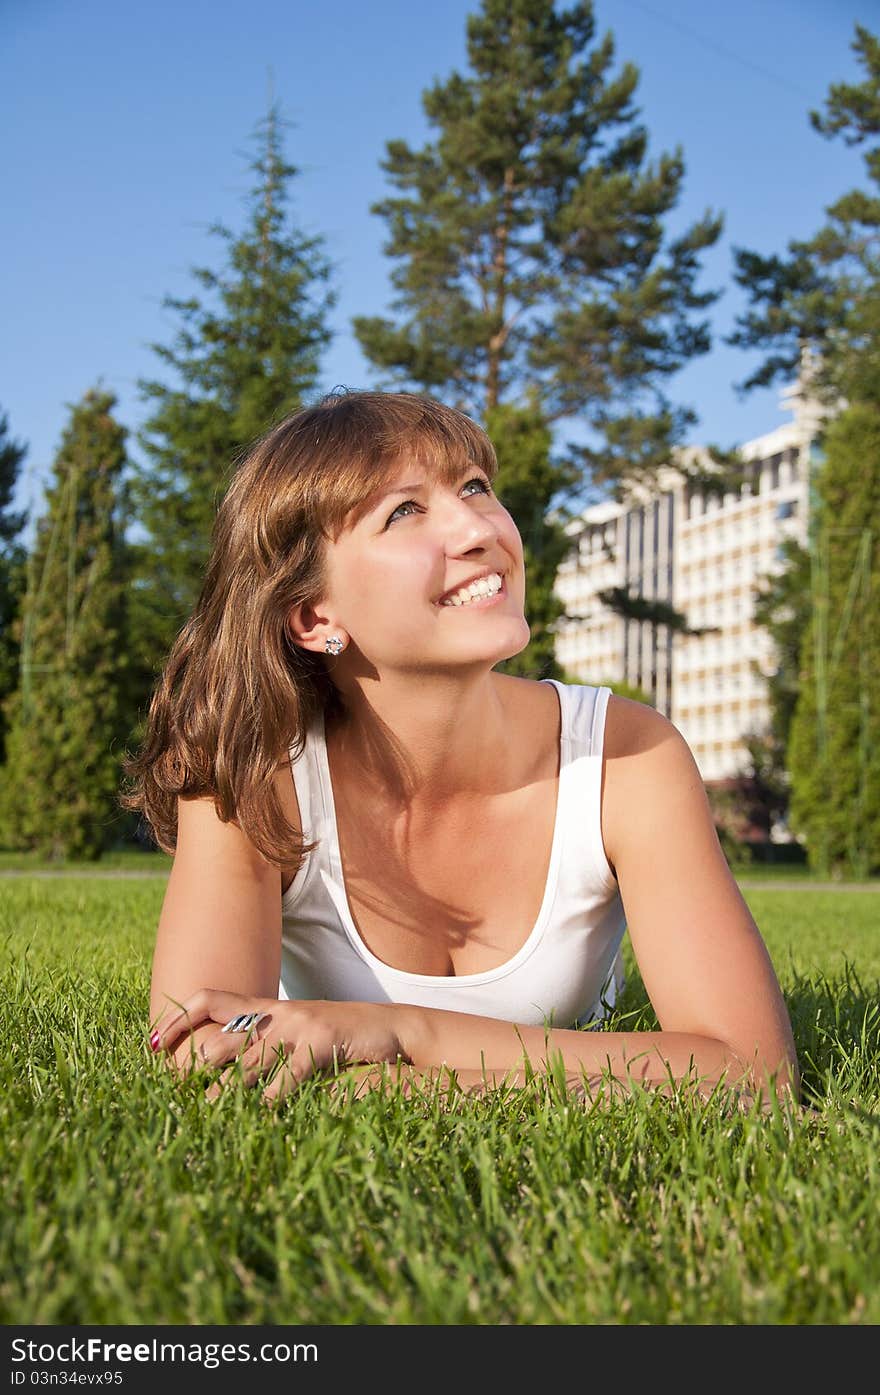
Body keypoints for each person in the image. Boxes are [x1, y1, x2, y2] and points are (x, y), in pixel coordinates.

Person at [127, 388, 799, 1109]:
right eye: (405, 511)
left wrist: (400, 1037)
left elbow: (753, 1071)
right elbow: (200, 1049)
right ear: (314, 614)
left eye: (475, 486)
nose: (479, 527)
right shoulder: (252, 775)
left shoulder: (627, 757)